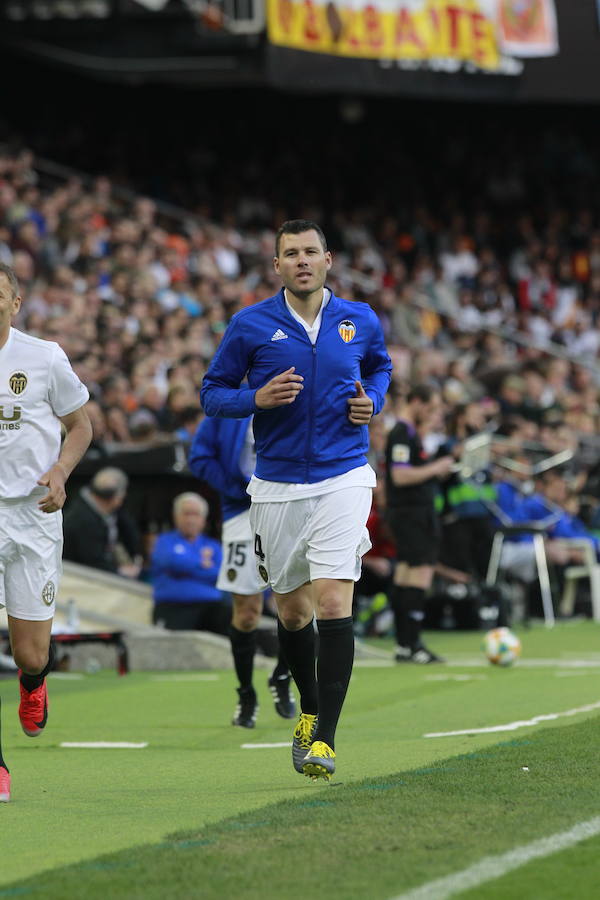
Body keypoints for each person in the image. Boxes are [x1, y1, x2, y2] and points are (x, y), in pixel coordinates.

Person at [200, 219, 392, 780]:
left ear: (329, 259)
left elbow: (380, 367)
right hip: (277, 484)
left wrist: (372, 402)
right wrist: (254, 398)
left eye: (311, 251)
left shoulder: (361, 319)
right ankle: (308, 707)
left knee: (334, 600)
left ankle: (325, 739)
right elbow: (212, 394)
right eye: (291, 254)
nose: (302, 261)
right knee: (291, 609)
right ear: (277, 266)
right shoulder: (250, 325)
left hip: (345, 475)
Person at [0, 262, 92, 803]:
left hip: (34, 513)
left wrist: (60, 470)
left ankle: (33, 685)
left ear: (16, 302)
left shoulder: (44, 356)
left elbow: (82, 424)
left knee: (30, 652)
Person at [189, 414, 296, 728]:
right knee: (247, 611)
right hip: (241, 510)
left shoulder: (294, 393)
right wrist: (235, 487)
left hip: (287, 505)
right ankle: (246, 693)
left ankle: (282, 674)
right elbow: (199, 457)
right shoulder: (227, 405)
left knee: (293, 605)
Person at [385, 384, 454, 664]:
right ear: (416, 401)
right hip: (412, 514)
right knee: (419, 575)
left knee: (404, 575)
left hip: (411, 513)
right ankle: (412, 643)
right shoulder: (401, 433)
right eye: (430, 407)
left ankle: (404, 644)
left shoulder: (411, 434)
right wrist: (435, 469)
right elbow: (400, 476)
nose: (432, 413)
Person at [150, 492, 229, 635]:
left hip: (210, 607)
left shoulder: (213, 546)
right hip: (173, 607)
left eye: (196, 514)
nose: (190, 519)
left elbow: (221, 574)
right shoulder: (164, 541)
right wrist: (201, 562)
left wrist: (184, 567)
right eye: (186, 514)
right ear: (176, 516)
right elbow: (170, 562)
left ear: (203, 519)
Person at [63, 467, 142, 577]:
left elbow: (130, 534)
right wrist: (120, 572)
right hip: (78, 576)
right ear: (117, 497)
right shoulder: (83, 520)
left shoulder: (110, 512)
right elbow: (93, 562)